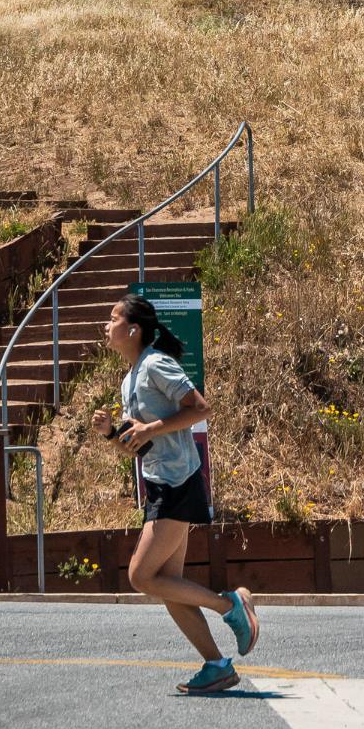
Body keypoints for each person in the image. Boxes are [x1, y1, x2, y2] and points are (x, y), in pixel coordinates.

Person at [96, 294, 259, 694]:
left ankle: (230, 605)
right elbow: (136, 445)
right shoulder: (129, 377)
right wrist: (111, 435)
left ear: (133, 330)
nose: (106, 324)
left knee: (140, 576)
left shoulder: (156, 364)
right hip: (159, 483)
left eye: (113, 318)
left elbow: (200, 408)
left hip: (178, 484)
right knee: (167, 583)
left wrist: (151, 428)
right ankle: (217, 665)